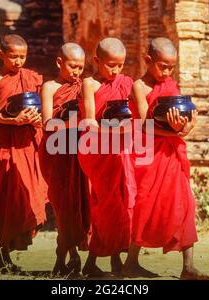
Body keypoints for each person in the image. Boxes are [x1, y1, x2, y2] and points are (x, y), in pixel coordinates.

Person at [123, 37, 209, 280]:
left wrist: (185, 127)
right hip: (148, 154)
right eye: (163, 66)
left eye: (171, 67)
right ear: (148, 60)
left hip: (172, 153)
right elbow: (142, 124)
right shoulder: (138, 86)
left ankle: (188, 266)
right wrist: (177, 130)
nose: (167, 72)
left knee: (184, 203)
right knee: (145, 204)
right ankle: (131, 262)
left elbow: (182, 118)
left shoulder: (171, 85)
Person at [0, 34, 47, 272]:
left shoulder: (31, 77)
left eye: (22, 57)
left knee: (32, 194)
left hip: (28, 142)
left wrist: (36, 120)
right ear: (2, 55)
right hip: (4, 141)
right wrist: (16, 121)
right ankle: (3, 254)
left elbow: (41, 109)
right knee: (7, 196)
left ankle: (8, 250)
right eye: (13, 57)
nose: (18, 62)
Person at [77, 37, 136, 277]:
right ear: (96, 61)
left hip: (122, 147)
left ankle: (114, 258)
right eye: (111, 65)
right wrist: (115, 130)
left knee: (122, 202)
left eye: (120, 65)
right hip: (97, 148)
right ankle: (92, 261)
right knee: (105, 204)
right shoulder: (88, 84)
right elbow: (90, 121)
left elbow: (136, 113)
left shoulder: (127, 82)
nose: (116, 70)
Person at [39, 43, 91, 277]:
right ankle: (69, 257)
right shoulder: (49, 88)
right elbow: (47, 123)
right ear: (59, 62)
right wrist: (72, 120)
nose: (77, 72)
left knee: (80, 204)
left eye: (81, 67)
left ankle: (66, 259)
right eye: (72, 66)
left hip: (81, 150)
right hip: (57, 150)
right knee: (64, 206)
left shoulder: (84, 87)